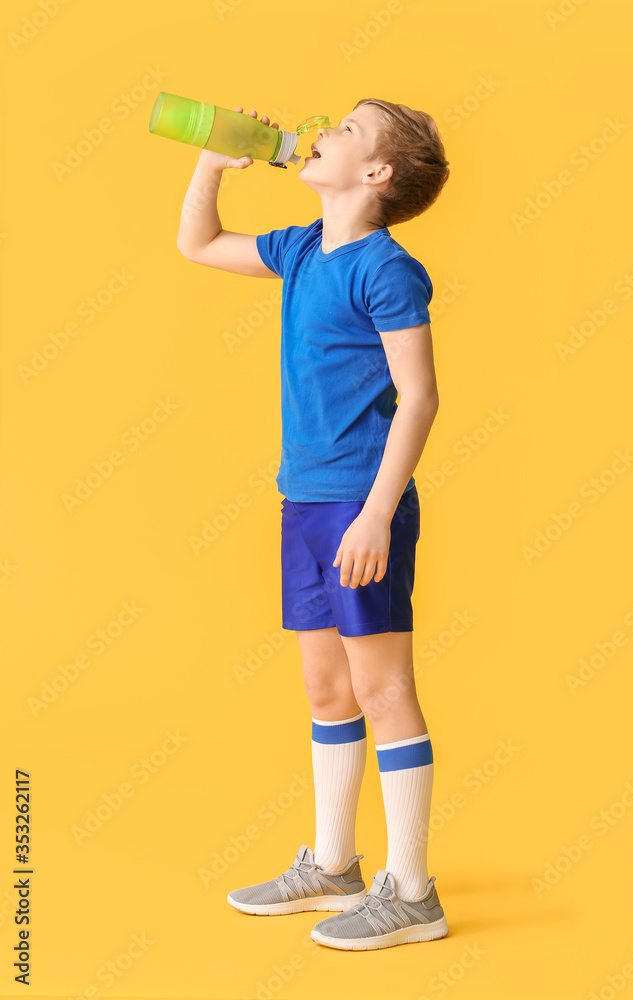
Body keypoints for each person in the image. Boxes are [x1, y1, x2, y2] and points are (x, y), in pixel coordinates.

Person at [177, 98, 450, 950]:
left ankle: (410, 891)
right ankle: (333, 864)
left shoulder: (386, 268)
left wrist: (375, 513)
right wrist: (212, 163)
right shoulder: (301, 247)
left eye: (347, 130)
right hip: (304, 501)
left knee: (382, 688)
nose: (319, 130)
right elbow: (198, 244)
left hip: (358, 507)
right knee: (326, 688)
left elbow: (421, 398)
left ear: (374, 175)